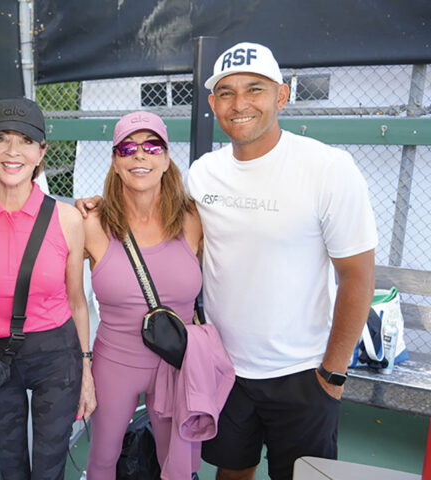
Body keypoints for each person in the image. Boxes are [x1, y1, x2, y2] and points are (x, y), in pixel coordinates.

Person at [186, 42, 378, 480]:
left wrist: (332, 374)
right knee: (232, 472)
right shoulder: (202, 174)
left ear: (282, 96)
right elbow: (167, 235)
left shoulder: (329, 168)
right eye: (227, 92)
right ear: (213, 103)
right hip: (226, 369)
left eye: (255, 89)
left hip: (303, 373)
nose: (240, 104)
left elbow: (357, 277)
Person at [0, 97, 96, 480]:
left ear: (41, 151)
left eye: (26, 141)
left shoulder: (66, 219)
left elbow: (78, 302)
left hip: (55, 352)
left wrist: (86, 369)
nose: (13, 152)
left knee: (50, 467)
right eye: (1, 138)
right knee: (10, 467)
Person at [83, 111, 233, 479]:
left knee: (176, 461)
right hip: (115, 362)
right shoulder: (91, 223)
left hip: (178, 361)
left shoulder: (194, 219)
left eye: (152, 146)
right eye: (128, 147)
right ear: (115, 162)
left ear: (166, 160)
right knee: (103, 457)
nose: (140, 155)